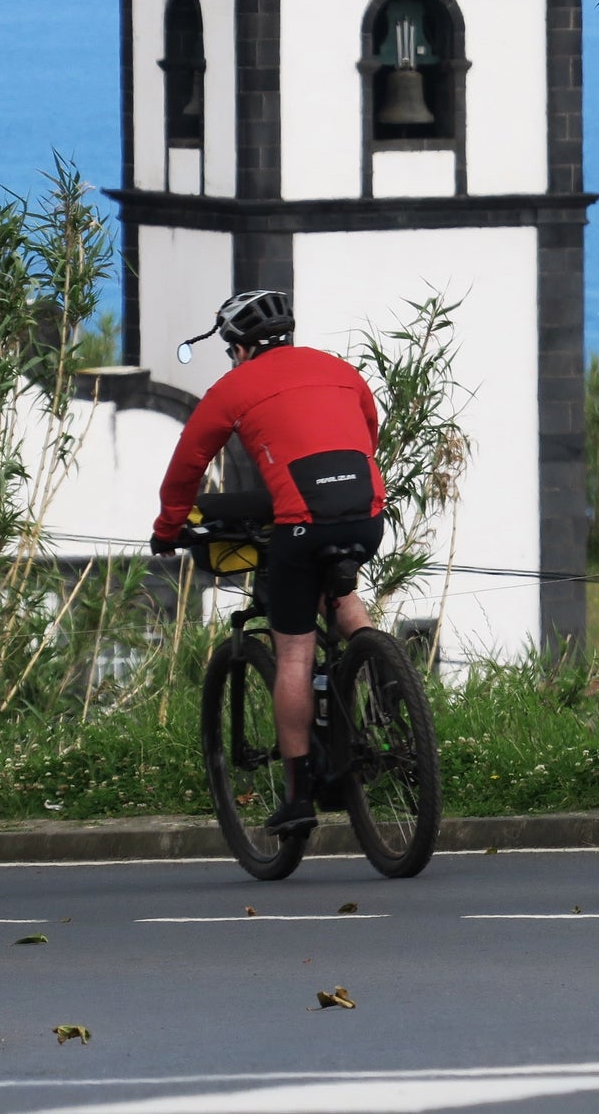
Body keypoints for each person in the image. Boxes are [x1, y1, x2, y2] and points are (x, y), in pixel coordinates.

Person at [150, 289, 386, 837]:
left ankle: (300, 795)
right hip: (364, 514)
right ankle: (384, 676)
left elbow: (187, 465)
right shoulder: (339, 370)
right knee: (342, 593)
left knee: (296, 653)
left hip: (300, 525)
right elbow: (367, 434)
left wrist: (167, 530)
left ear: (237, 347)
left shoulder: (234, 387)